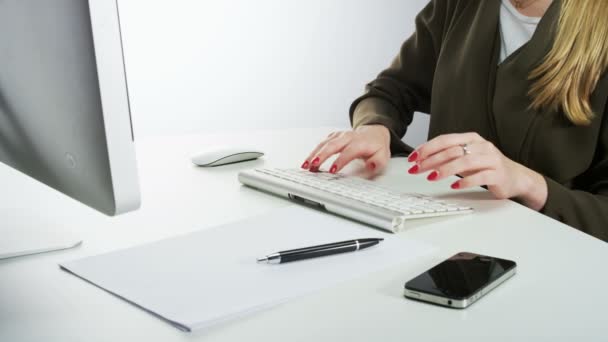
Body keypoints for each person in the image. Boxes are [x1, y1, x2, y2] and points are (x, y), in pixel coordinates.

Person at [302, 0, 608, 242]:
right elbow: (391, 90)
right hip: (439, 241)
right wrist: (374, 127)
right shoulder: (459, 5)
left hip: (551, 259)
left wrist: (528, 183)